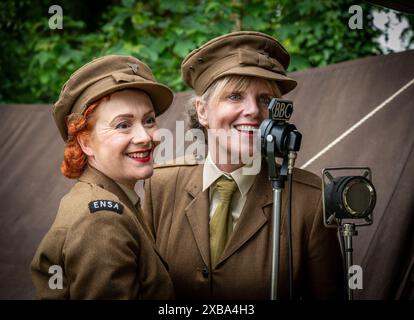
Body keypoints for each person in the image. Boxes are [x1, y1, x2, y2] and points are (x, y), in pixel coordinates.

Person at [143, 31, 343, 299]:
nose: (252, 111)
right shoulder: (161, 184)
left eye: (264, 100)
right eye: (235, 96)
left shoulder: (310, 200)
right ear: (202, 111)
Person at [31, 55, 175, 299]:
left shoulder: (114, 199)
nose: (144, 136)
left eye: (149, 120)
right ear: (85, 142)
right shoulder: (102, 219)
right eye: (122, 125)